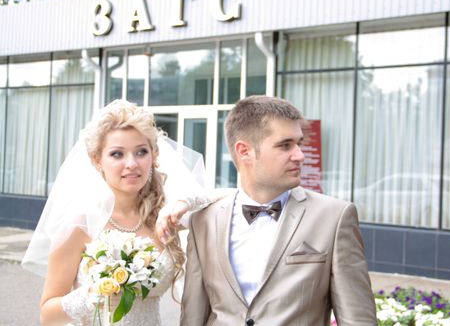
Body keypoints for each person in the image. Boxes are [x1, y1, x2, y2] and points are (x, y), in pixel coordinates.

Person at [157, 95, 377, 325]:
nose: (300, 155)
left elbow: (358, 319)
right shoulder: (204, 221)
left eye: (299, 143)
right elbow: (193, 316)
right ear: (244, 152)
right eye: (285, 145)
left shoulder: (334, 218)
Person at [22, 99, 207, 326]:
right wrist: (94, 293)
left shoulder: (162, 217)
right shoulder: (80, 225)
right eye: (117, 154)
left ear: (154, 156)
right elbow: (47, 314)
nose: (131, 163)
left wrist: (186, 201)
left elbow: (229, 198)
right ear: (97, 160)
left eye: (141, 152)